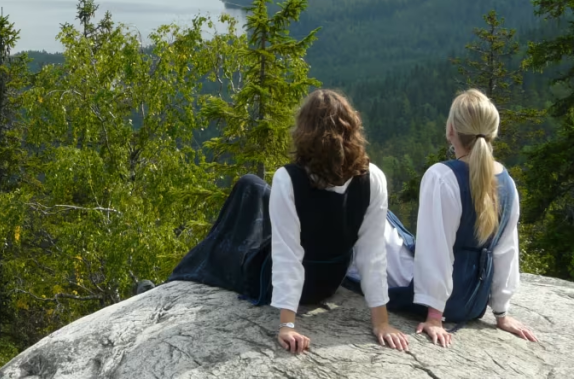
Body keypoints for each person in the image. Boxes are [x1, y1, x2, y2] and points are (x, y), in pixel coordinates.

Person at [169, 89, 408, 354]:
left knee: (244, 197)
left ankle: (180, 273)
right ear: (352, 129)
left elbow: (287, 256)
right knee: (255, 189)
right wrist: (381, 322)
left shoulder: (288, 179)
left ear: (305, 132)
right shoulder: (373, 178)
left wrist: (287, 324)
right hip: (330, 281)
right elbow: (371, 255)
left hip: (292, 287)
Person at [347, 89, 538, 347]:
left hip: (442, 302)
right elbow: (506, 251)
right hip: (474, 302)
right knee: (387, 225)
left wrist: (435, 316)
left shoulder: (443, 176)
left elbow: (436, 250)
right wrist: (501, 313)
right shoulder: (508, 183)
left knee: (374, 221)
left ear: (451, 130)